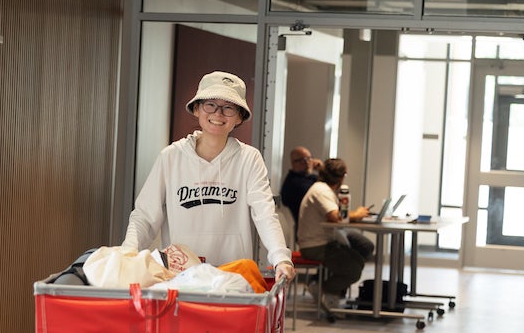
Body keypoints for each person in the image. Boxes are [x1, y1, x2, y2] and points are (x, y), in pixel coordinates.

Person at [122, 71, 296, 284]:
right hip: (180, 277)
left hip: (233, 278)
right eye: (210, 104)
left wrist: (281, 258)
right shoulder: (171, 156)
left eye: (229, 107)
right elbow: (145, 216)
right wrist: (127, 253)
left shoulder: (249, 158)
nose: (218, 113)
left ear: (239, 117)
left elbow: (265, 213)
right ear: (196, 109)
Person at [297, 158, 374, 310]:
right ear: (341, 176)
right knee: (353, 269)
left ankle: (332, 291)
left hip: (323, 240)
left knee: (358, 256)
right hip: (315, 245)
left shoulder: (325, 189)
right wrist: (358, 214)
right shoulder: (322, 190)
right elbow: (335, 216)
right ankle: (322, 288)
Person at [280, 146, 323, 230]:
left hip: (320, 225)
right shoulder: (293, 183)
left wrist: (322, 170)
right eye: (302, 160)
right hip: (308, 230)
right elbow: (318, 196)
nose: (307, 162)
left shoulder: (312, 177)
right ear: (293, 163)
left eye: (309, 158)